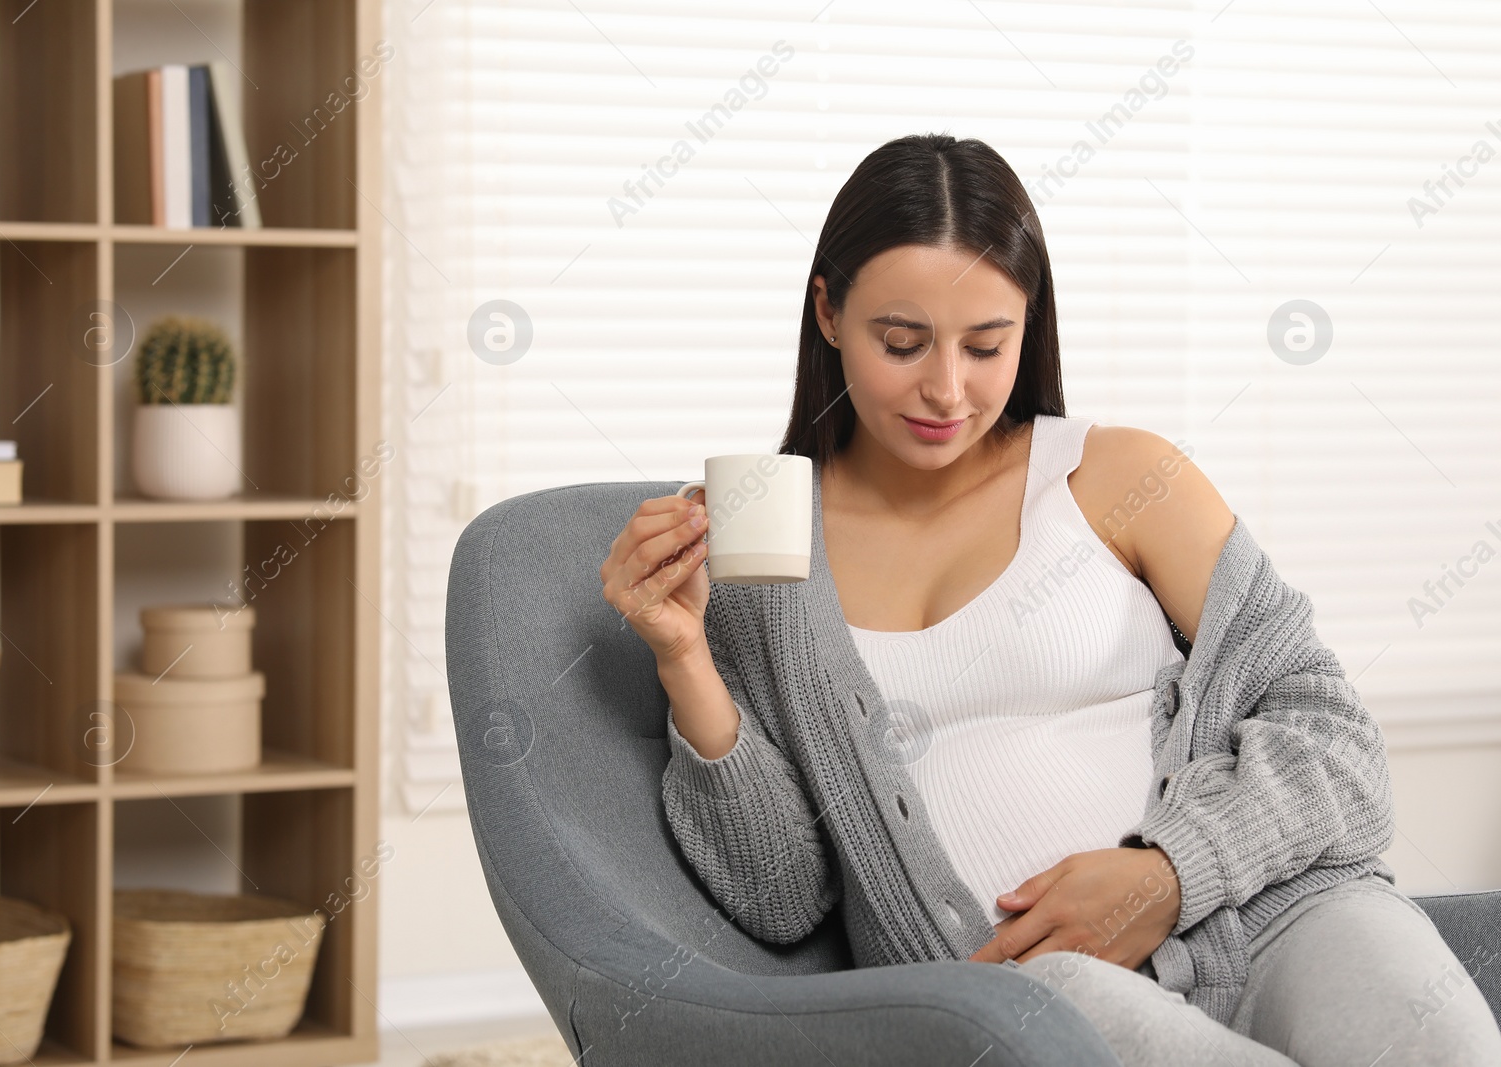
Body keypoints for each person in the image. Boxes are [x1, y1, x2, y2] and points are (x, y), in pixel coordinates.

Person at [599, 132, 1501, 1066]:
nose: (947, 389)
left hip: (1281, 914)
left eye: (987, 345)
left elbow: (1336, 742)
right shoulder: (774, 553)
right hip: (1038, 996)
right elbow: (780, 896)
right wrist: (684, 657)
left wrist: (1168, 874)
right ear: (827, 313)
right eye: (901, 342)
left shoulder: (1120, 477)